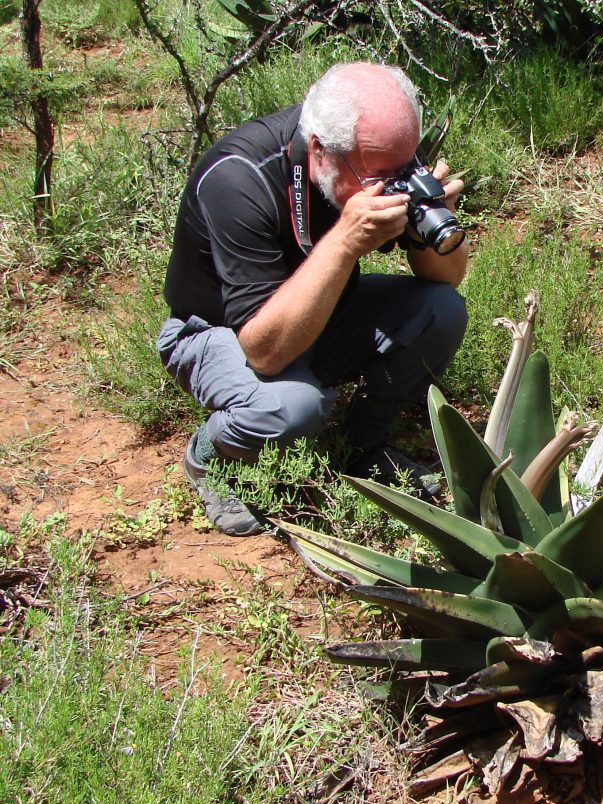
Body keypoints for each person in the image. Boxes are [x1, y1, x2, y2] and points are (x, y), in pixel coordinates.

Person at [157, 62, 469, 536]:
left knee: (441, 312)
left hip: (323, 311)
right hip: (218, 332)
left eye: (405, 166)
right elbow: (263, 352)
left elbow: (446, 279)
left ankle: (361, 445)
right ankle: (210, 458)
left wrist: (435, 221)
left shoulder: (382, 156)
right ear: (320, 150)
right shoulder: (239, 177)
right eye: (380, 174)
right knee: (293, 406)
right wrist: (345, 242)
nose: (396, 180)